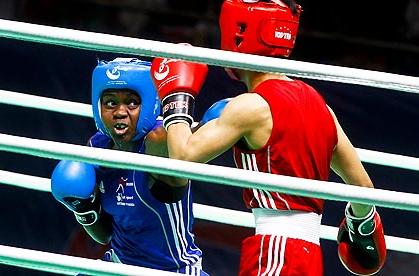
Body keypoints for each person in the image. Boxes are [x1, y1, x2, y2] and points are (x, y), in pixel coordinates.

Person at [149, 0, 387, 275]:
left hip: (276, 252)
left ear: (238, 34)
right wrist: (361, 226)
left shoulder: (252, 106)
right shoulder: (321, 107)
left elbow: (181, 158)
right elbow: (362, 188)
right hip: (310, 256)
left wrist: (176, 96)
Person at [50, 58, 208, 275]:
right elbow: (103, 235)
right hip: (119, 264)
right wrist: (84, 209)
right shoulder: (97, 147)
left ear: (149, 103)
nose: (120, 112)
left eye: (132, 102)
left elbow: (192, 143)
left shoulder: (160, 140)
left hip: (172, 270)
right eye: (111, 103)